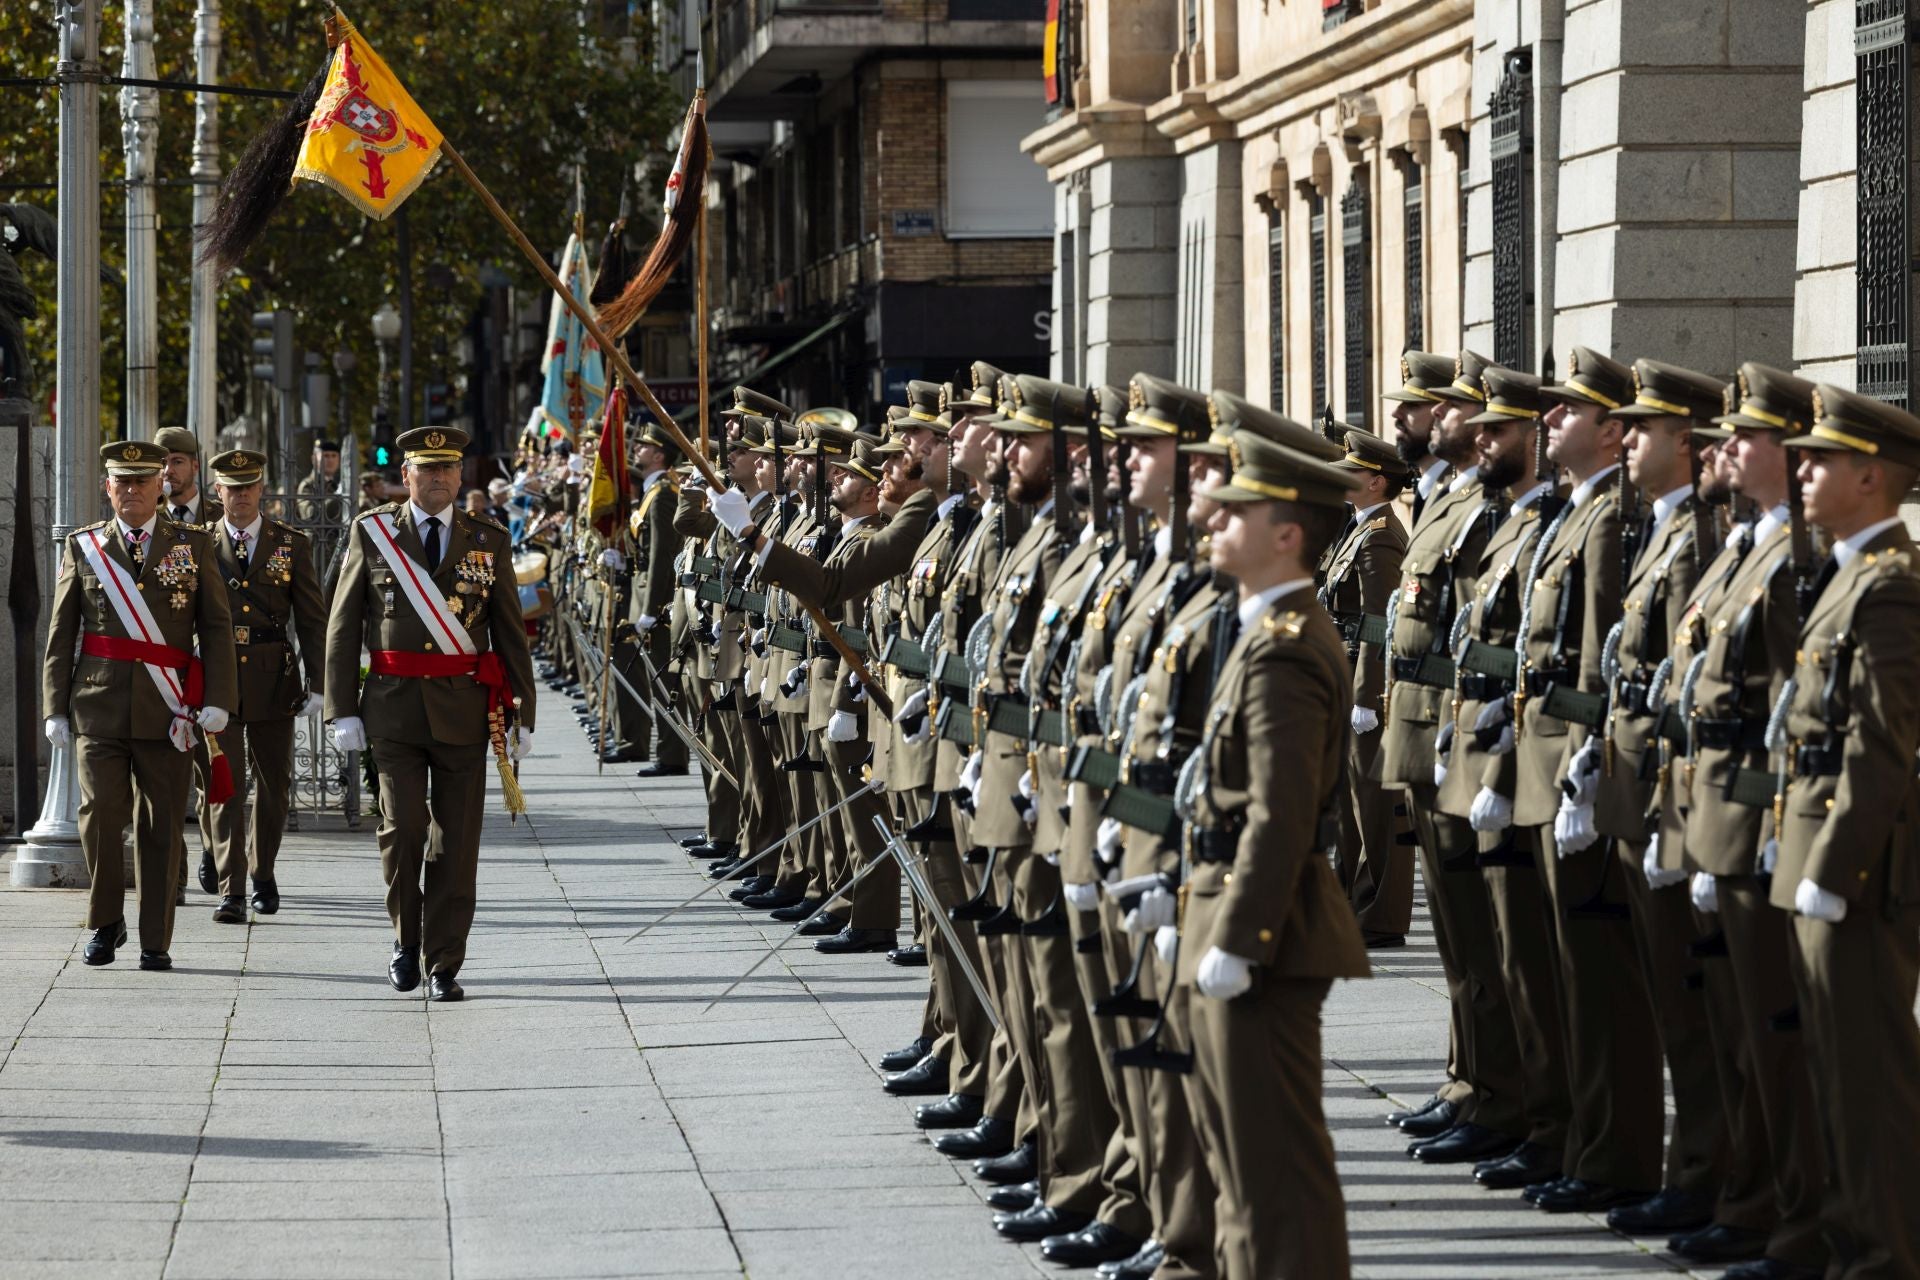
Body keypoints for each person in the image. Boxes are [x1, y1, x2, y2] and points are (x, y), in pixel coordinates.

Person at [1174, 427, 1370, 1280]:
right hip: (1228, 909)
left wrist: (1238, 937)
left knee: (1272, 1171)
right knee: (1241, 1167)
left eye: (1239, 510)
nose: (1214, 517)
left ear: (1288, 533)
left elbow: (1278, 815)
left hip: (1265, 930)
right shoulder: (1263, 629)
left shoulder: (1286, 645)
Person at [1772, 384, 1920, 1280]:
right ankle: (1853, 1242)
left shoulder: (1891, 588)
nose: (1804, 470)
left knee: (1870, 1077)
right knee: (1834, 1069)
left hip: (1859, 872)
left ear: (1869, 475)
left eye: (1821, 458)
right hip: (1819, 850)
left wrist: (1834, 864)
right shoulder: (1849, 574)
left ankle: (1884, 1257)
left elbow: (1880, 740)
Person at [324, 425, 537, 1002]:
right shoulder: (372, 535)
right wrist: (340, 708)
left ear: (460, 475)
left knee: (455, 842)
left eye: (448, 469)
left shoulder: (487, 539)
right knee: (404, 829)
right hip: (393, 710)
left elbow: (509, 632)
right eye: (427, 468)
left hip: (464, 711)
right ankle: (403, 940)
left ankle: (443, 961)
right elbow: (343, 628)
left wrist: (521, 711)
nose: (439, 478)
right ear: (407, 477)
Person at [43, 440, 236, 970]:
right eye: (121, 482)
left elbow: (215, 628)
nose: (131, 490)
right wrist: (53, 707)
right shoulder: (84, 547)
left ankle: (156, 939)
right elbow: (62, 633)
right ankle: (105, 922)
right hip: (98, 705)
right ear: (108, 488)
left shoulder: (193, 545)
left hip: (168, 708)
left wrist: (218, 700)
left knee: (162, 824)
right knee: (100, 814)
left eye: (141, 481)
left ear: (161, 486)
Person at [200, 448, 329, 924]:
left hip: (274, 678)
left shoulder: (289, 543)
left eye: (248, 486)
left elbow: (314, 619)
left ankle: (263, 872)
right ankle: (232, 888)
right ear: (218, 492)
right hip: (218, 680)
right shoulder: (196, 542)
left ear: (261, 490)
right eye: (231, 488)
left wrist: (320, 684)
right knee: (225, 785)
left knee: (275, 784)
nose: (240, 496)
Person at [157, 425, 224, 527]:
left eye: (177, 462)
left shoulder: (220, 514)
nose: (168, 471)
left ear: (195, 466)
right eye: (163, 463)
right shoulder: (149, 515)